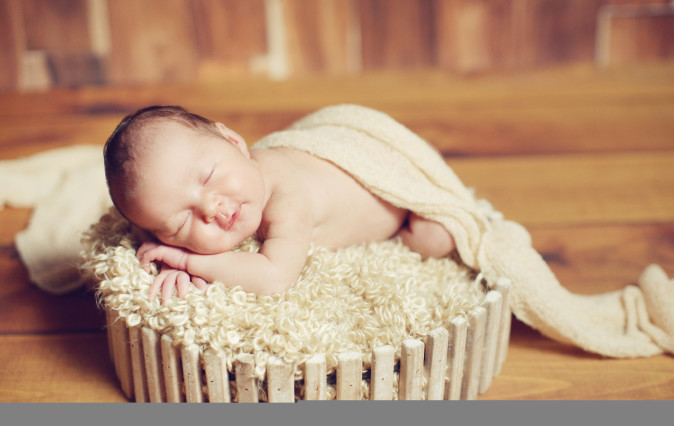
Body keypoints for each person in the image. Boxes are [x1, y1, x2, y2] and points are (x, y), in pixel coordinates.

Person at [104, 105, 456, 302]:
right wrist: (164, 242)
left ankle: (400, 234)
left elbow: (274, 277)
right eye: (181, 224)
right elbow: (148, 218)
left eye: (210, 176)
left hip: (398, 190)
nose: (211, 208)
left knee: (438, 237)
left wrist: (187, 259)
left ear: (235, 142)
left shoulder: (287, 197)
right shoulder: (240, 183)